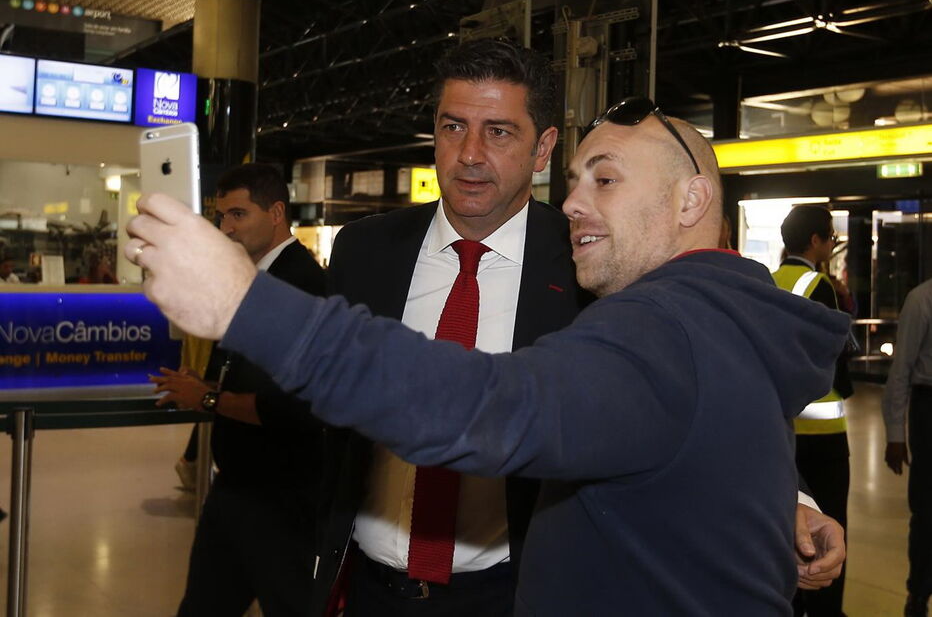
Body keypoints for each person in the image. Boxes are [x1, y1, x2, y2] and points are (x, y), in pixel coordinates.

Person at [126, 99, 850, 615]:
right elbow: (707, 425)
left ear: (691, 199)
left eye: (604, 179)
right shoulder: (732, 313)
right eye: (574, 182)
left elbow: (489, 406)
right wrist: (780, 504)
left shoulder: (659, 325)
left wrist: (246, 305)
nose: (571, 203)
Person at [320, 38, 582, 616]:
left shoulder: (581, 269)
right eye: (453, 126)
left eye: (499, 132)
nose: (468, 154)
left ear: (543, 149)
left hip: (511, 594)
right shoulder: (364, 251)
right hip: (370, 590)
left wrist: (789, 498)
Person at [149, 163, 327, 617]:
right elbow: (247, 374)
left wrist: (205, 399)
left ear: (276, 212)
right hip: (238, 489)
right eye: (221, 216)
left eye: (238, 215)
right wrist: (203, 385)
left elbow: (288, 407)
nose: (225, 228)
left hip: (282, 499)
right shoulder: (252, 280)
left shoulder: (302, 286)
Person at [773, 205, 854, 617]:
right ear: (815, 241)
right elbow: (832, 357)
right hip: (822, 438)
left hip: (781, 429)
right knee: (827, 529)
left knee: (786, 527)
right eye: (829, 236)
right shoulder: (817, 284)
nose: (832, 243)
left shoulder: (768, 280)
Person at [883, 277, 932, 617]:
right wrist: (895, 433)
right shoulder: (921, 299)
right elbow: (901, 371)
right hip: (929, 411)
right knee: (928, 511)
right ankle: (918, 593)